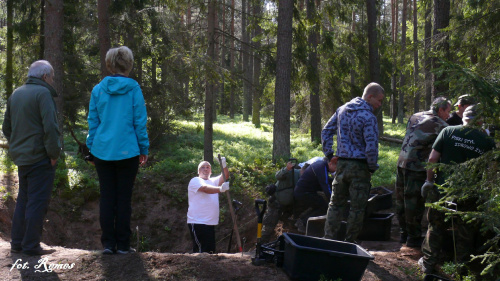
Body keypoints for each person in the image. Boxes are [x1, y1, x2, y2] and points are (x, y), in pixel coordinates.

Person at [86, 46, 149, 255]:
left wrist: (91, 148)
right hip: (128, 151)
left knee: (107, 196)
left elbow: (93, 123)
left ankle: (107, 244)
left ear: (110, 63)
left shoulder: (98, 89)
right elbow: (139, 122)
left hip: (102, 151)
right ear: (128, 64)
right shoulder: (134, 89)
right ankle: (122, 245)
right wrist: (144, 148)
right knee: (123, 198)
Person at [418, 104, 496, 274]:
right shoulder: (487, 141)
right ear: (480, 121)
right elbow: (490, 171)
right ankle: (461, 269)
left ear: (463, 118)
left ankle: (428, 264)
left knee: (435, 227)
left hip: (443, 190)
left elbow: (432, 159)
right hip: (469, 194)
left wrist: (429, 181)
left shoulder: (448, 131)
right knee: (465, 233)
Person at [2, 60, 61, 255]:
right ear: (45, 76)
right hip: (40, 158)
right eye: (51, 77)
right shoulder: (43, 94)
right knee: (37, 201)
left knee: (24, 199)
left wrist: (18, 146)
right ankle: (31, 245)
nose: (52, 81)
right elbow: (51, 129)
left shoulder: (16, 93)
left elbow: (6, 128)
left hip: (23, 158)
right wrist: (53, 154)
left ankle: (17, 243)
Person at [322, 82, 385, 243]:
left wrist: (329, 154)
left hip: (342, 165)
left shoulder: (342, 110)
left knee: (335, 204)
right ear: (369, 96)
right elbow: (371, 147)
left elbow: (326, 131)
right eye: (379, 100)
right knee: (357, 208)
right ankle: (350, 242)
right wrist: (372, 167)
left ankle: (328, 239)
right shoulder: (368, 117)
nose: (379, 105)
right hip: (360, 167)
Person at [396, 97, 451, 247]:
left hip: (402, 162)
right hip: (417, 167)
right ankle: (413, 237)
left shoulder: (415, 116)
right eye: (448, 111)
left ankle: (403, 233)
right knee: (414, 203)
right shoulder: (441, 125)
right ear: (440, 110)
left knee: (400, 199)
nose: (449, 115)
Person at [187, 160, 230, 253]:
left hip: (210, 223)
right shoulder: (195, 180)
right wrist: (221, 189)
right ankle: (197, 267)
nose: (206, 169)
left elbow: (225, 175)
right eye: (203, 167)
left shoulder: (212, 181)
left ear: (211, 171)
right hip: (198, 221)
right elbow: (205, 189)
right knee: (201, 251)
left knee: (210, 251)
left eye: (208, 167)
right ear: (198, 171)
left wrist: (224, 165)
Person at [293, 157, 338, 232]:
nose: (335, 171)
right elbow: (325, 185)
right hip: (304, 193)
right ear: (330, 164)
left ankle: (301, 221)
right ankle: (303, 223)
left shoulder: (321, 165)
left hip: (304, 192)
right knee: (324, 206)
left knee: (319, 203)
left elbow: (327, 180)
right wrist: (333, 201)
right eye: (335, 168)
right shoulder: (321, 168)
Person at [261, 160, 301, 242]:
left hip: (289, 205)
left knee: (291, 221)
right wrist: (287, 169)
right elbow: (278, 175)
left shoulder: (301, 177)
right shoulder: (287, 173)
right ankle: (261, 246)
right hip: (276, 203)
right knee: (268, 227)